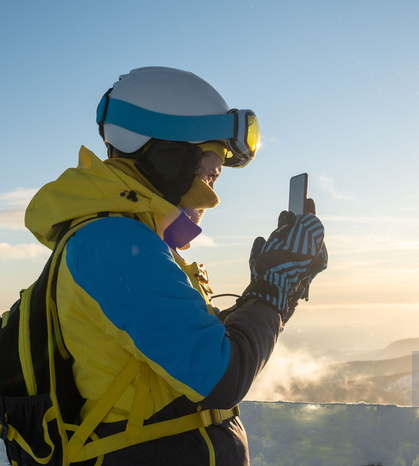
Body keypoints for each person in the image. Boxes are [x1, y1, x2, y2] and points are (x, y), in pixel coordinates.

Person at [24, 66, 327, 465]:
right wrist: (271, 289)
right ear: (170, 155)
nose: (211, 191)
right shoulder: (113, 244)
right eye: (212, 171)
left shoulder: (128, 240)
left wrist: (271, 289)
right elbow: (221, 377)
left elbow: (197, 346)